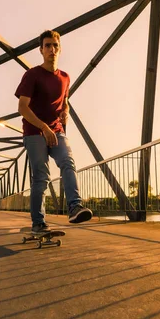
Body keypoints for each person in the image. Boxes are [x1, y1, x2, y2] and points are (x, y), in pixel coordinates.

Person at [15, 29, 92, 233]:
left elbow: (64, 101)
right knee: (41, 176)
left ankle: (75, 206)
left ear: (60, 49)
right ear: (41, 50)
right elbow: (22, 107)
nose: (52, 49)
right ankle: (38, 223)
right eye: (47, 45)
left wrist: (65, 111)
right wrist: (43, 127)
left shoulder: (65, 77)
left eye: (55, 45)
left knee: (68, 161)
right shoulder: (32, 75)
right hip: (34, 132)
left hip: (56, 130)